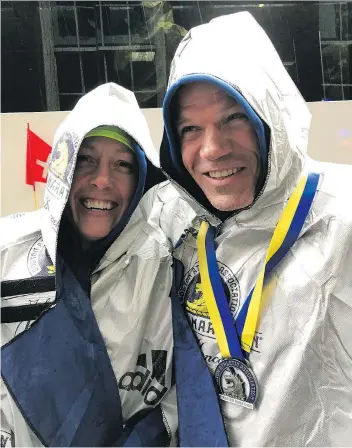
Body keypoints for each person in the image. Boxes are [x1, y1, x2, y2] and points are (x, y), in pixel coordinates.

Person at [152, 11, 352, 446]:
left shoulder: (342, 218)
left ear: (270, 117)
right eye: (190, 128)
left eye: (233, 118)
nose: (213, 149)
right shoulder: (176, 222)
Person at [1, 83, 177, 447]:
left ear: (143, 178)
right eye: (85, 159)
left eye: (123, 164)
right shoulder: (8, 253)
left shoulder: (168, 267)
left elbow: (186, 394)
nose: (101, 179)